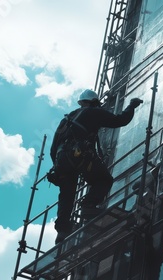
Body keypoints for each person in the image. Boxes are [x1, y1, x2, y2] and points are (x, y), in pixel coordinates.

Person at [48, 89, 143, 244]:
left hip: (61, 162)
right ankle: (88, 205)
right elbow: (120, 120)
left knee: (66, 195)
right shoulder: (93, 112)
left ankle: (62, 230)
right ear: (94, 102)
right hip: (80, 157)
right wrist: (131, 105)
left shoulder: (66, 120)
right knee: (103, 180)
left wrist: (59, 169)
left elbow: (53, 148)